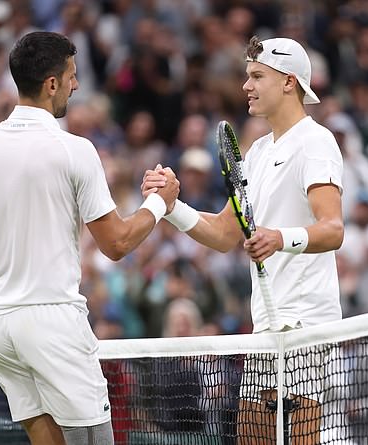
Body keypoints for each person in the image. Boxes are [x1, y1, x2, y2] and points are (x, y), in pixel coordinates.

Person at [0, 31, 179, 445]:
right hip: (54, 324)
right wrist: (160, 204)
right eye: (71, 75)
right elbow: (116, 244)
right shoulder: (75, 150)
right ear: (52, 84)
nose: (77, 84)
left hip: (0, 329)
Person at [143, 36, 344, 444]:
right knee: (250, 438)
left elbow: (333, 229)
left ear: (289, 82)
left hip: (305, 324)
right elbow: (221, 234)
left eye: (257, 76)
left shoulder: (316, 142)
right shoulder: (255, 153)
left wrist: (279, 238)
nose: (245, 86)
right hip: (267, 325)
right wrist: (171, 205)